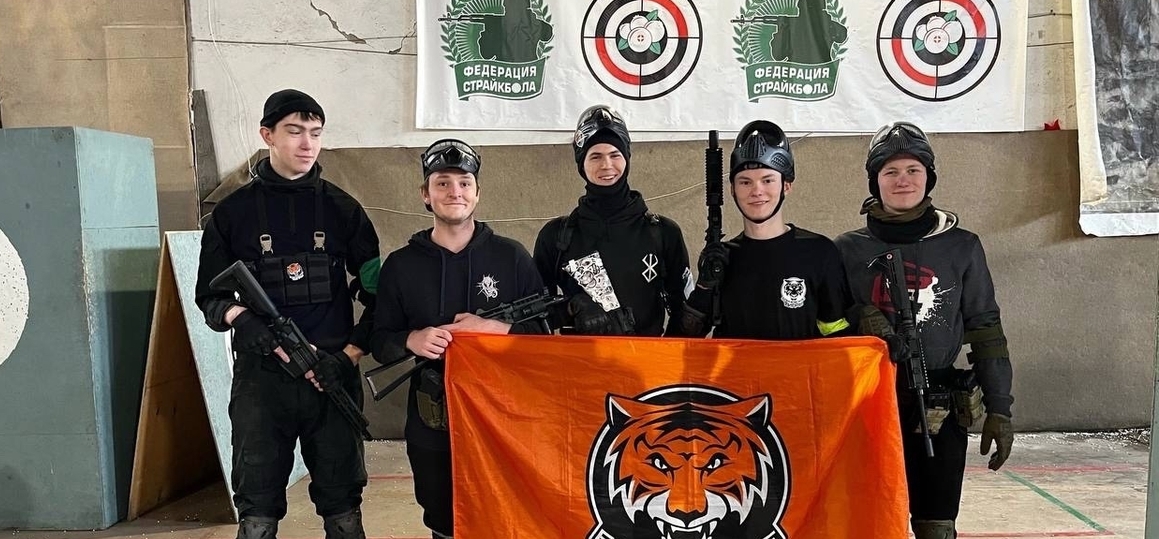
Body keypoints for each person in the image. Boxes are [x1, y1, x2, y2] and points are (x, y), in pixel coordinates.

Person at [195, 89, 379, 539]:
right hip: (262, 383)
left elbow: (379, 296)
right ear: (268, 136)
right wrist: (241, 318)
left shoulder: (344, 210)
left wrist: (348, 356)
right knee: (257, 511)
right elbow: (209, 297)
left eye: (315, 133)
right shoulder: (232, 214)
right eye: (295, 132)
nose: (307, 144)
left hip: (330, 377)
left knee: (343, 509)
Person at [833, 122, 1014, 539]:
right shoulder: (846, 249)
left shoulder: (961, 246)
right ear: (875, 181)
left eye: (913, 170)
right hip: (868, 407)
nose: (903, 180)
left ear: (928, 177)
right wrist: (858, 317)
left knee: (936, 526)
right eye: (891, 171)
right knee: (871, 523)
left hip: (939, 408)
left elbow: (985, 330)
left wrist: (1000, 408)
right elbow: (823, 324)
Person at [371, 139, 546, 539]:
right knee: (443, 516)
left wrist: (498, 329)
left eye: (465, 183)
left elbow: (543, 337)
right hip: (432, 417)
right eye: (443, 183)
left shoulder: (512, 257)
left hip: (502, 415)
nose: (455, 192)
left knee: (505, 512)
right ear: (425, 194)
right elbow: (380, 340)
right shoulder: (400, 265)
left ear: (478, 193)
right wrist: (412, 340)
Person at [681, 120, 852, 339]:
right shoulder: (721, 259)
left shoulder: (819, 252)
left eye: (767, 180)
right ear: (732, 190)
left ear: (786, 186)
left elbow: (837, 334)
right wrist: (704, 288)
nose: (757, 191)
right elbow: (682, 342)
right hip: (734, 364)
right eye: (745, 182)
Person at [533, 105, 692, 336]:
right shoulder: (556, 236)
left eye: (615, 155)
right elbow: (535, 317)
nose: (606, 165)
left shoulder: (663, 233)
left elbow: (685, 314)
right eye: (595, 156)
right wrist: (570, 308)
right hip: (579, 358)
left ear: (626, 157)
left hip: (647, 357)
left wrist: (664, 356)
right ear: (581, 163)